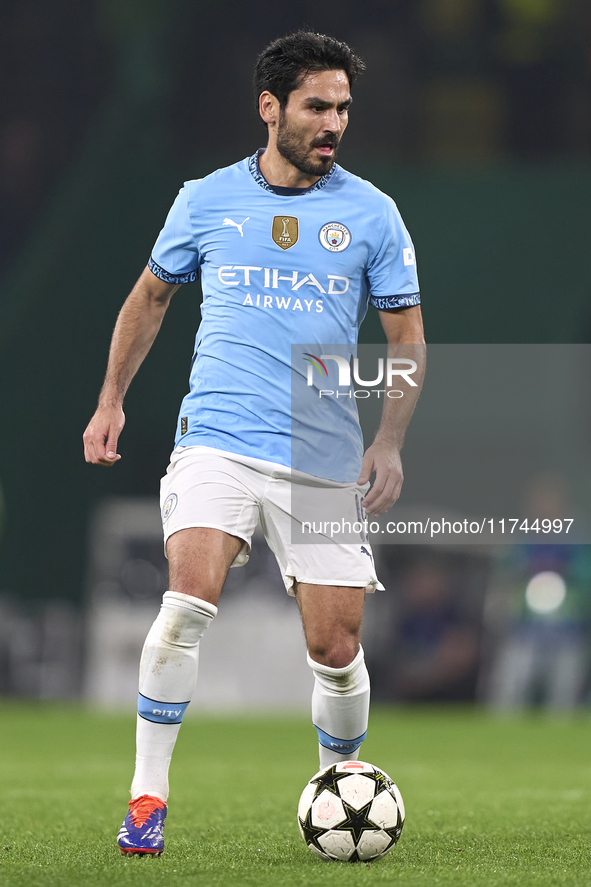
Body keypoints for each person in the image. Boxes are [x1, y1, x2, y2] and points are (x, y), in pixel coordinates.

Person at [83, 31, 425, 857]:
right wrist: (111, 400)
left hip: (320, 450)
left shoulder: (372, 211)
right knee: (184, 606)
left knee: (333, 648)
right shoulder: (203, 199)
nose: (332, 122)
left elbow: (405, 336)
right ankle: (145, 800)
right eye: (316, 105)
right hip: (219, 438)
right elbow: (149, 300)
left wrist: (388, 439)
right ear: (270, 107)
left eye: (342, 107)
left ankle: (335, 788)